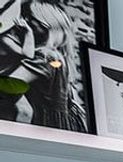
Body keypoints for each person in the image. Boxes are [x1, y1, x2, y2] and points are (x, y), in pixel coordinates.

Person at [7, 0, 86, 131]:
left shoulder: (45, 57)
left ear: (45, 24)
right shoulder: (59, 57)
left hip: (43, 124)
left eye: (28, 17)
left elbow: (9, 84)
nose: (23, 20)